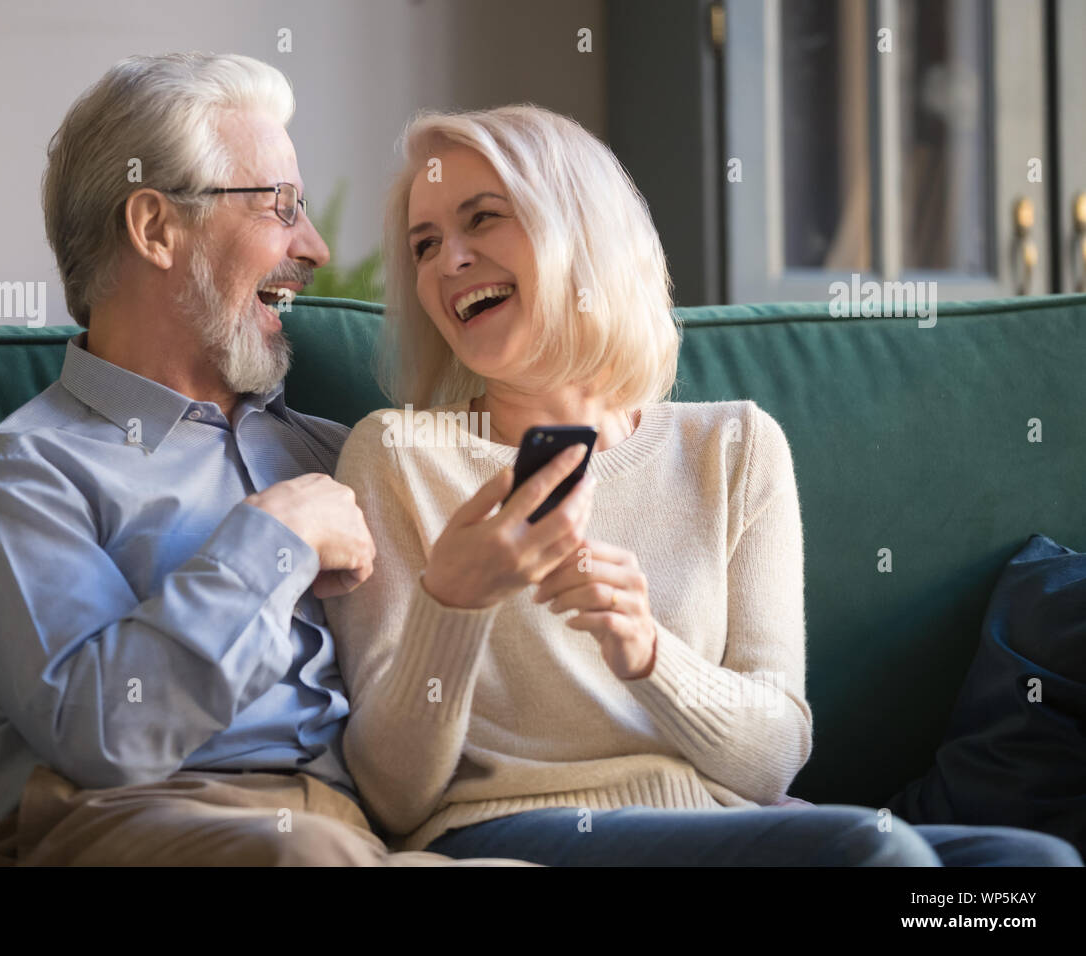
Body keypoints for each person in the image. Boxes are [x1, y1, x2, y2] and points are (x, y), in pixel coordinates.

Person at [322, 104, 1083, 867]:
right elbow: (393, 795)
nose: (447, 261)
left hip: (724, 827)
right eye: (424, 246)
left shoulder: (733, 446)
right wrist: (453, 601)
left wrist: (651, 653)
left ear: (582, 231)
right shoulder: (398, 455)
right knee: (872, 855)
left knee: (1031, 870)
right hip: (510, 829)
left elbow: (772, 757)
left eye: (482, 219)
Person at [0, 53, 527, 868]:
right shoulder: (26, 478)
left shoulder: (339, 456)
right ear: (155, 228)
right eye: (282, 207)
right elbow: (106, 730)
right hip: (108, 822)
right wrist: (273, 540)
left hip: (351, 834)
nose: (311, 246)